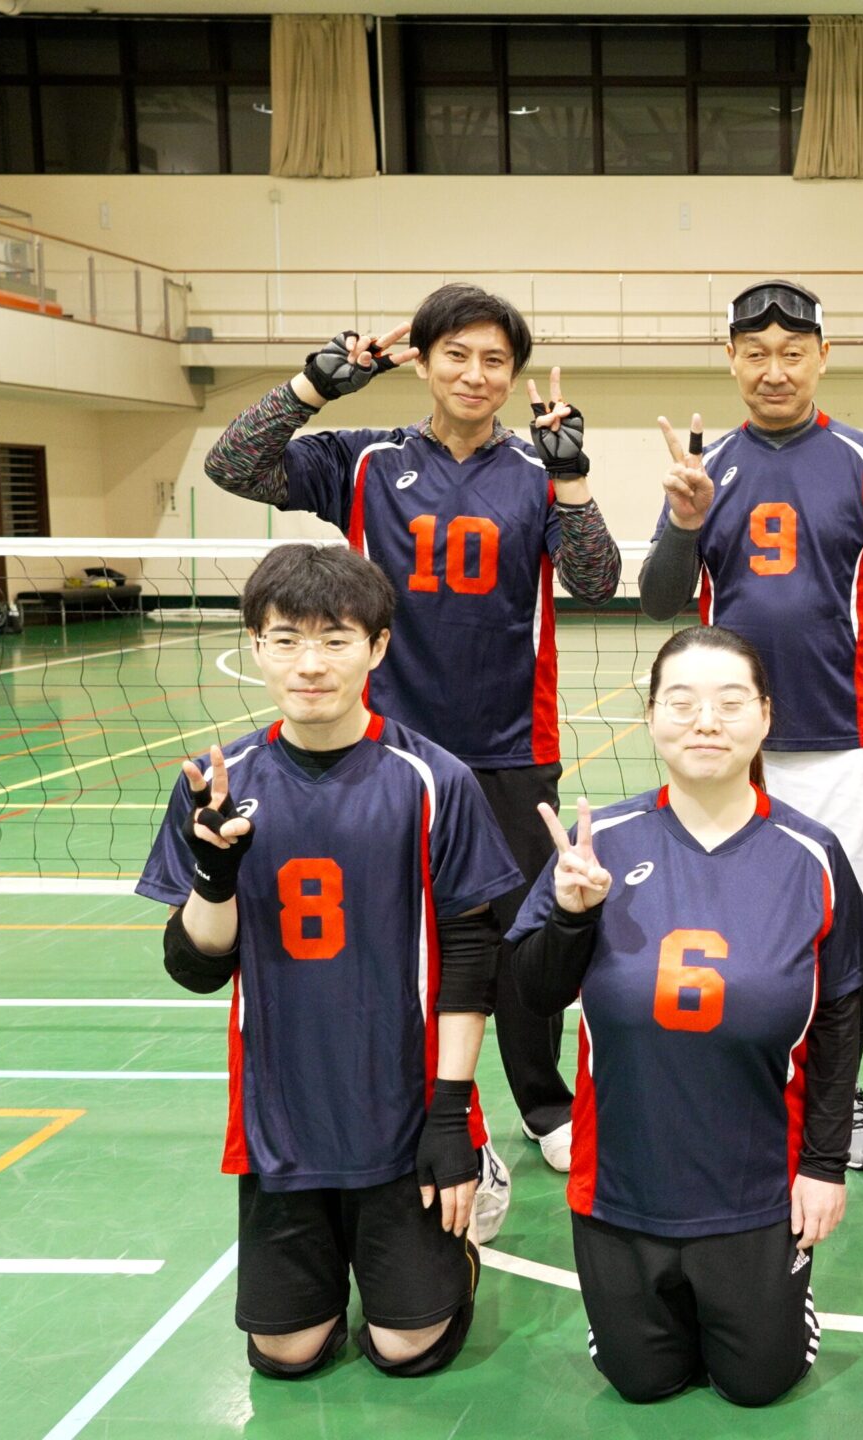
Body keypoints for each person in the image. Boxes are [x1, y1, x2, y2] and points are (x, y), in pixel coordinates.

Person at [202, 282, 620, 1174]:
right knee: (393, 934)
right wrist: (315, 386)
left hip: (510, 750)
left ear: (514, 375)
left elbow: (596, 580)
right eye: (456, 355)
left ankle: (545, 1103)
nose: (475, 374)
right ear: (422, 362)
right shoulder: (363, 460)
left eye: (495, 361)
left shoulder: (537, 472)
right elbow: (233, 465)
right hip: (380, 752)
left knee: (524, 941)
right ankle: (412, 1097)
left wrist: (573, 478)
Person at [140, 543, 522, 1381]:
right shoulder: (216, 785)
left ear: (377, 647)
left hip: (404, 1109)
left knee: (406, 1349)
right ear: (255, 646)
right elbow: (195, 968)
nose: (309, 664)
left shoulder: (434, 779)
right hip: (281, 1110)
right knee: (286, 1354)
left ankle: (449, 1251)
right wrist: (214, 875)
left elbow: (470, 951)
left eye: (335, 639)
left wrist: (452, 1111)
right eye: (285, 640)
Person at [506, 625, 863, 1406]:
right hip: (621, 1187)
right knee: (640, 1382)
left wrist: (823, 1164)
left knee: (758, 1384)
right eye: (681, 703)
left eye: (730, 702)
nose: (706, 721)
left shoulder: (812, 856)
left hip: (756, 1187)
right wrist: (571, 917)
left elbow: (841, 1019)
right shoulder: (597, 846)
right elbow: (531, 997)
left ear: (766, 715)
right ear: (650, 717)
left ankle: (778, 1298)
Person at [636, 278, 863, 1170]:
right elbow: (659, 600)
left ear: (822, 358)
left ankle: (840, 1094)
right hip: (722, 743)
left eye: (792, 353)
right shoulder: (706, 466)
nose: (775, 370)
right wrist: (683, 523)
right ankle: (746, 1082)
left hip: (842, 737)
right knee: (731, 918)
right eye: (756, 354)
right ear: (731, 360)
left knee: (845, 930)